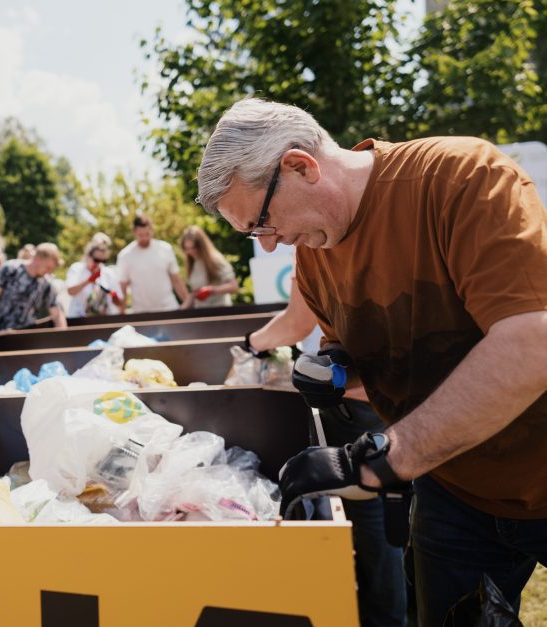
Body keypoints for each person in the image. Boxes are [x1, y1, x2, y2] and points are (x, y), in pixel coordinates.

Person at [197, 98, 547, 625]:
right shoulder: (313, 257)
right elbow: (367, 357)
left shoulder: (458, 177)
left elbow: (532, 339)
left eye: (261, 222)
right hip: (455, 491)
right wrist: (336, 371)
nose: (268, 246)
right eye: (253, 234)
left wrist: (383, 459)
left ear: (300, 166)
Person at [247, 277, 407, 627]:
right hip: (366, 398)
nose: (271, 240)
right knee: (388, 512)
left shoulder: (316, 245)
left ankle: (387, 617)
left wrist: (252, 342)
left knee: (373, 515)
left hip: (360, 405)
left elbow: (296, 323)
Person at [0, 242, 67, 331]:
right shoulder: (9, 269)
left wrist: (63, 336)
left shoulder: (46, 284)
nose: (49, 272)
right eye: (48, 268)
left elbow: (57, 313)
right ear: (37, 259)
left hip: (26, 337)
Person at [116, 214, 188, 313]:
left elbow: (176, 280)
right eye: (141, 235)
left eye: (147, 234)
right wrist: (121, 314)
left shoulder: (166, 249)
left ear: (152, 230)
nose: (145, 238)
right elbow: (122, 287)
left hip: (168, 308)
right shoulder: (125, 256)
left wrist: (188, 304)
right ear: (134, 232)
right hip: (141, 312)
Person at [178, 225, 239, 308]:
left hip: (220, 311)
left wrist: (211, 290)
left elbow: (234, 286)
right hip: (201, 312)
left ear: (201, 246)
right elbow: (194, 294)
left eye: (193, 248)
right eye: (187, 249)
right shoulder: (192, 263)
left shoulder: (215, 259)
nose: (190, 252)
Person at [65, 233, 123, 317]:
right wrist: (89, 280)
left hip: (102, 319)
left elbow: (120, 303)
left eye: (102, 261)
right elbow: (70, 291)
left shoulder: (108, 273)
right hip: (78, 318)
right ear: (88, 256)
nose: (98, 264)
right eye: (96, 260)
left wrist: (113, 294)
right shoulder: (77, 268)